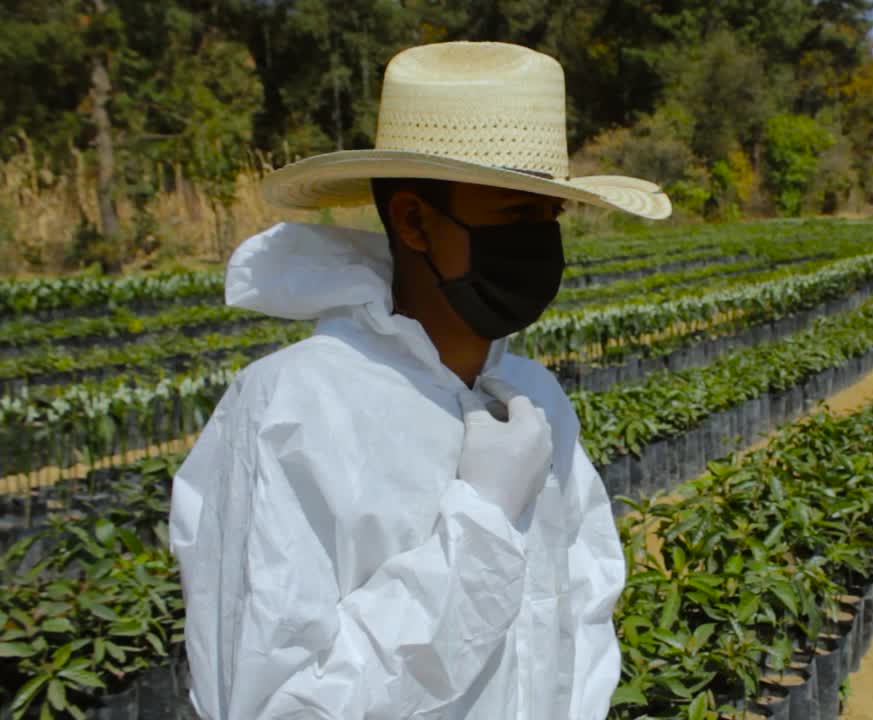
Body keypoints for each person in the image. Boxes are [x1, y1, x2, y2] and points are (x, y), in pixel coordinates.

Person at [168, 41, 670, 719]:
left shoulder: (533, 398)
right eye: (514, 215)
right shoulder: (292, 410)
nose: (538, 246)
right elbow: (274, 702)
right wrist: (482, 525)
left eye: (548, 216)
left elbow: (580, 625)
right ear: (413, 221)